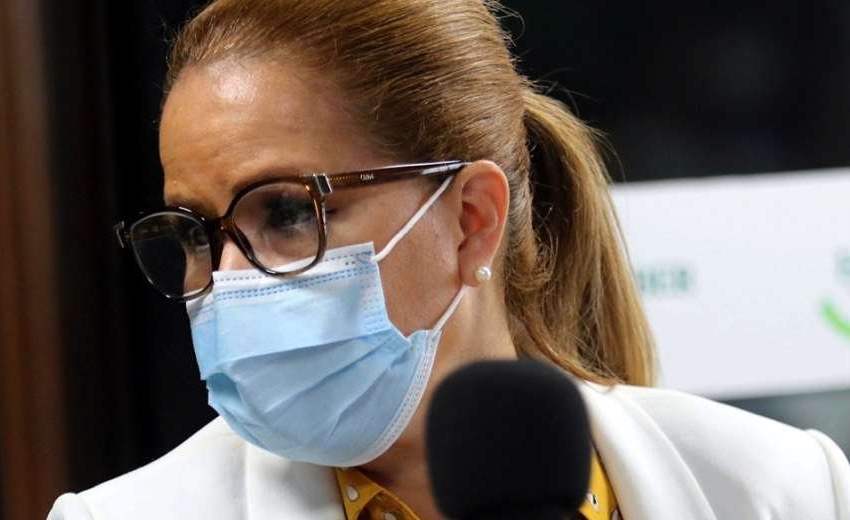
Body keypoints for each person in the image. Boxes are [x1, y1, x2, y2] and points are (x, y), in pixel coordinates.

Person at [50, 0, 850, 518]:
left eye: (287, 212)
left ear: (471, 221)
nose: (226, 281)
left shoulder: (785, 489)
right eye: (196, 233)